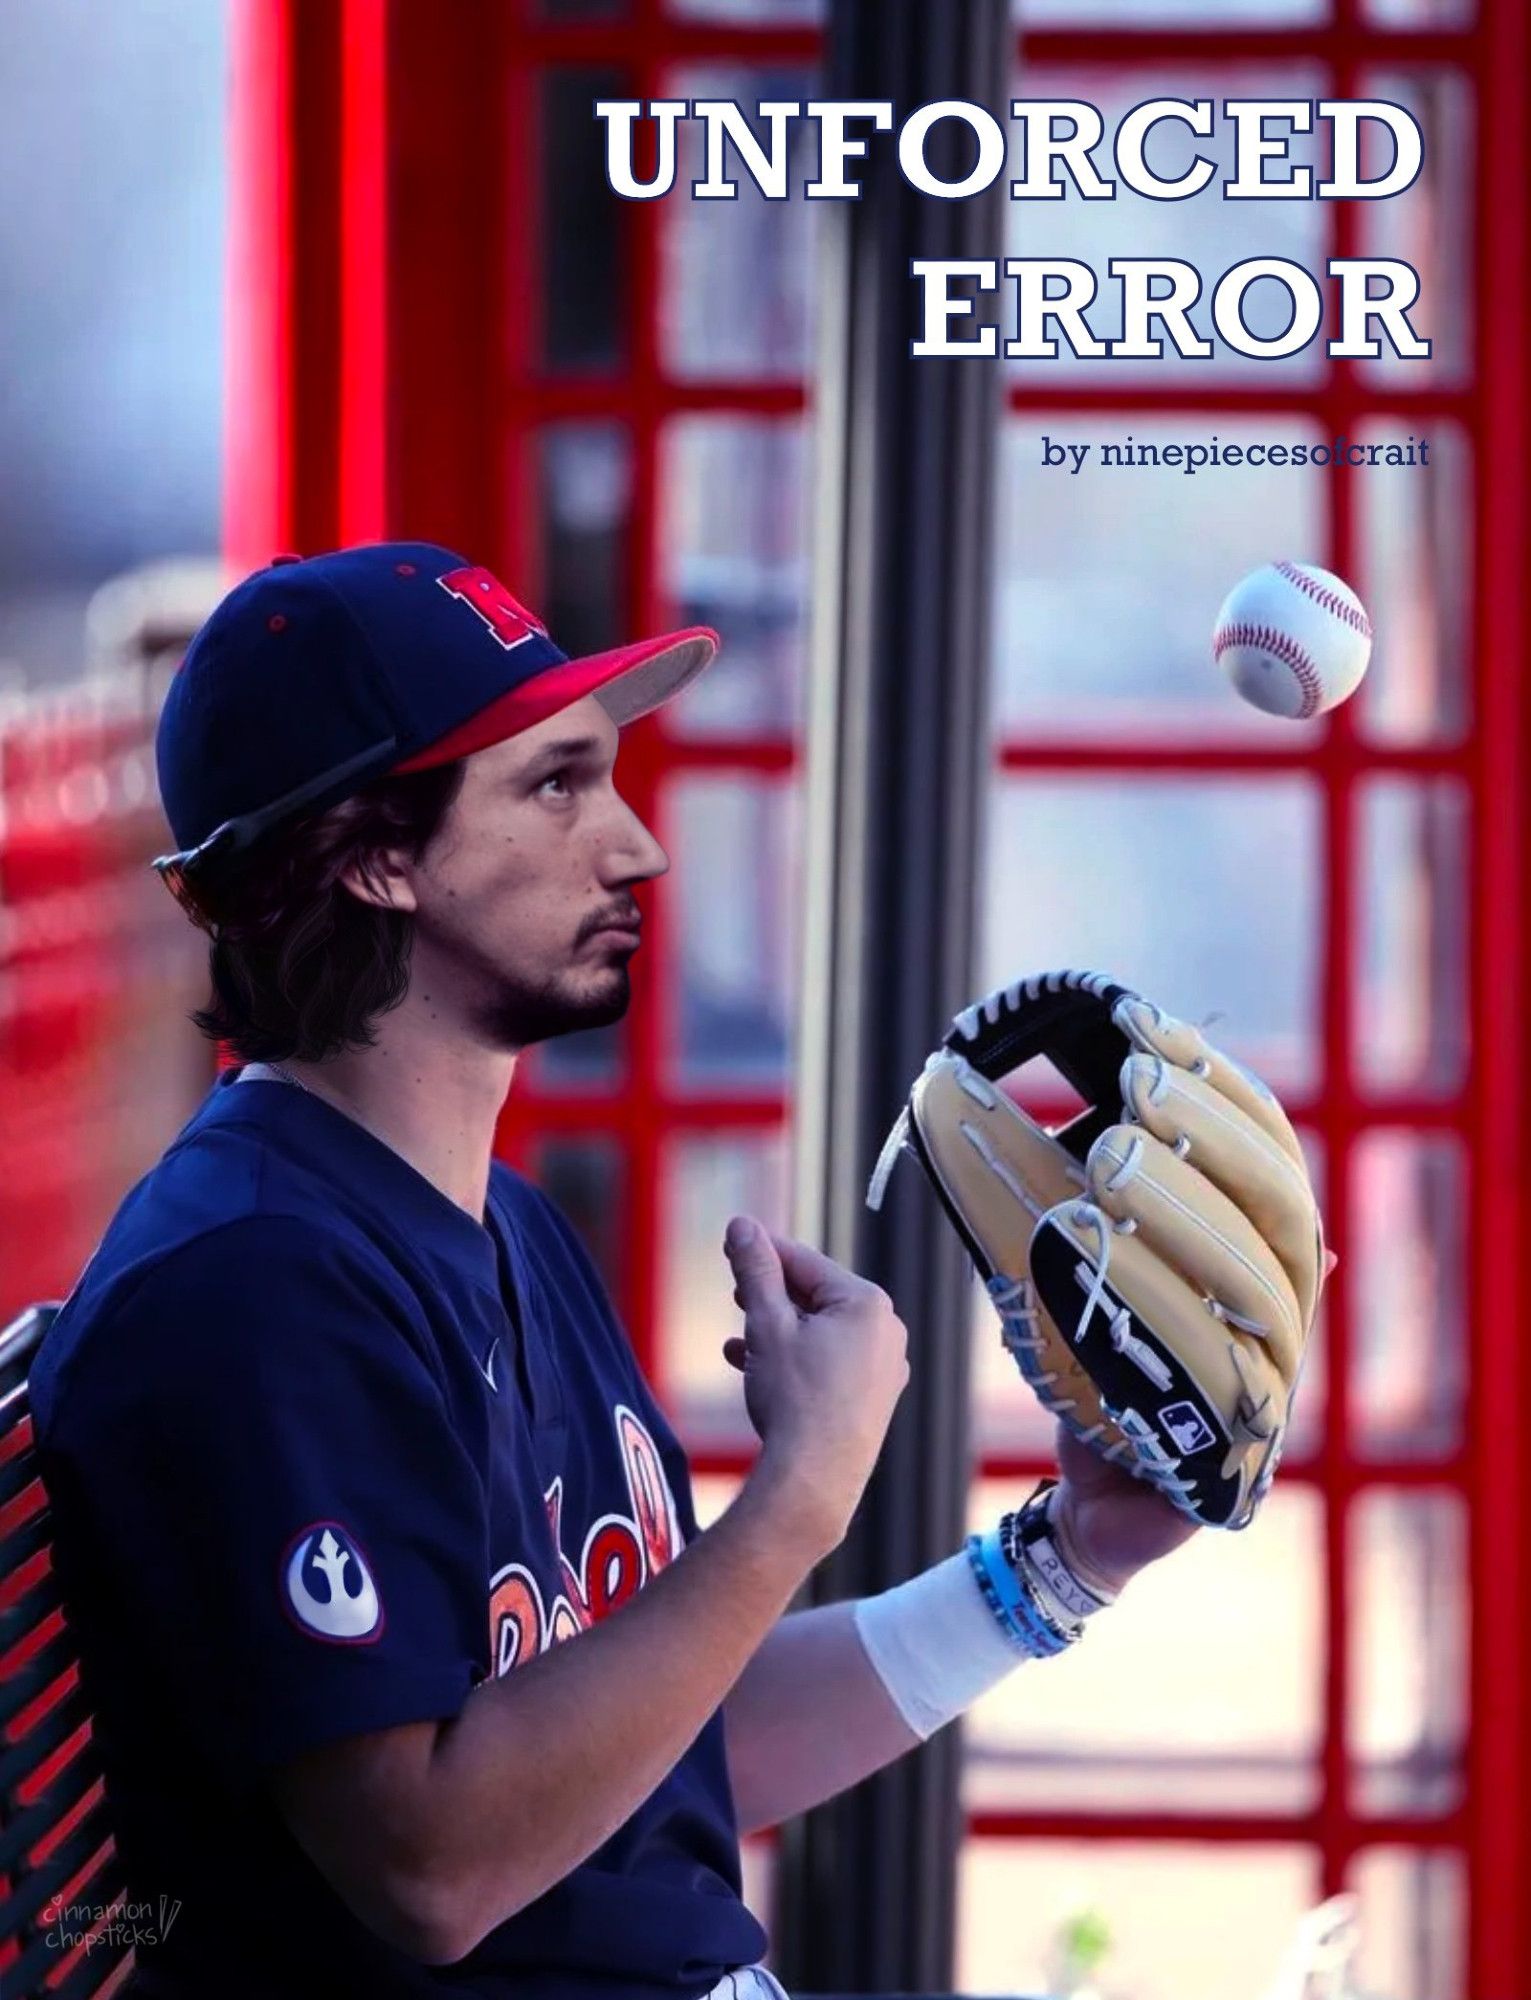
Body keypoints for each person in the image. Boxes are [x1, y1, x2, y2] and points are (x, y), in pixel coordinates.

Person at [31, 543, 1196, 2000]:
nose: (638, 845)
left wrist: (1062, 1565)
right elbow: (437, 1866)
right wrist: (798, 1501)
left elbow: (647, 1756)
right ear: (375, 855)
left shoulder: (490, 1223)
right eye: (556, 785)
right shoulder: (257, 1291)